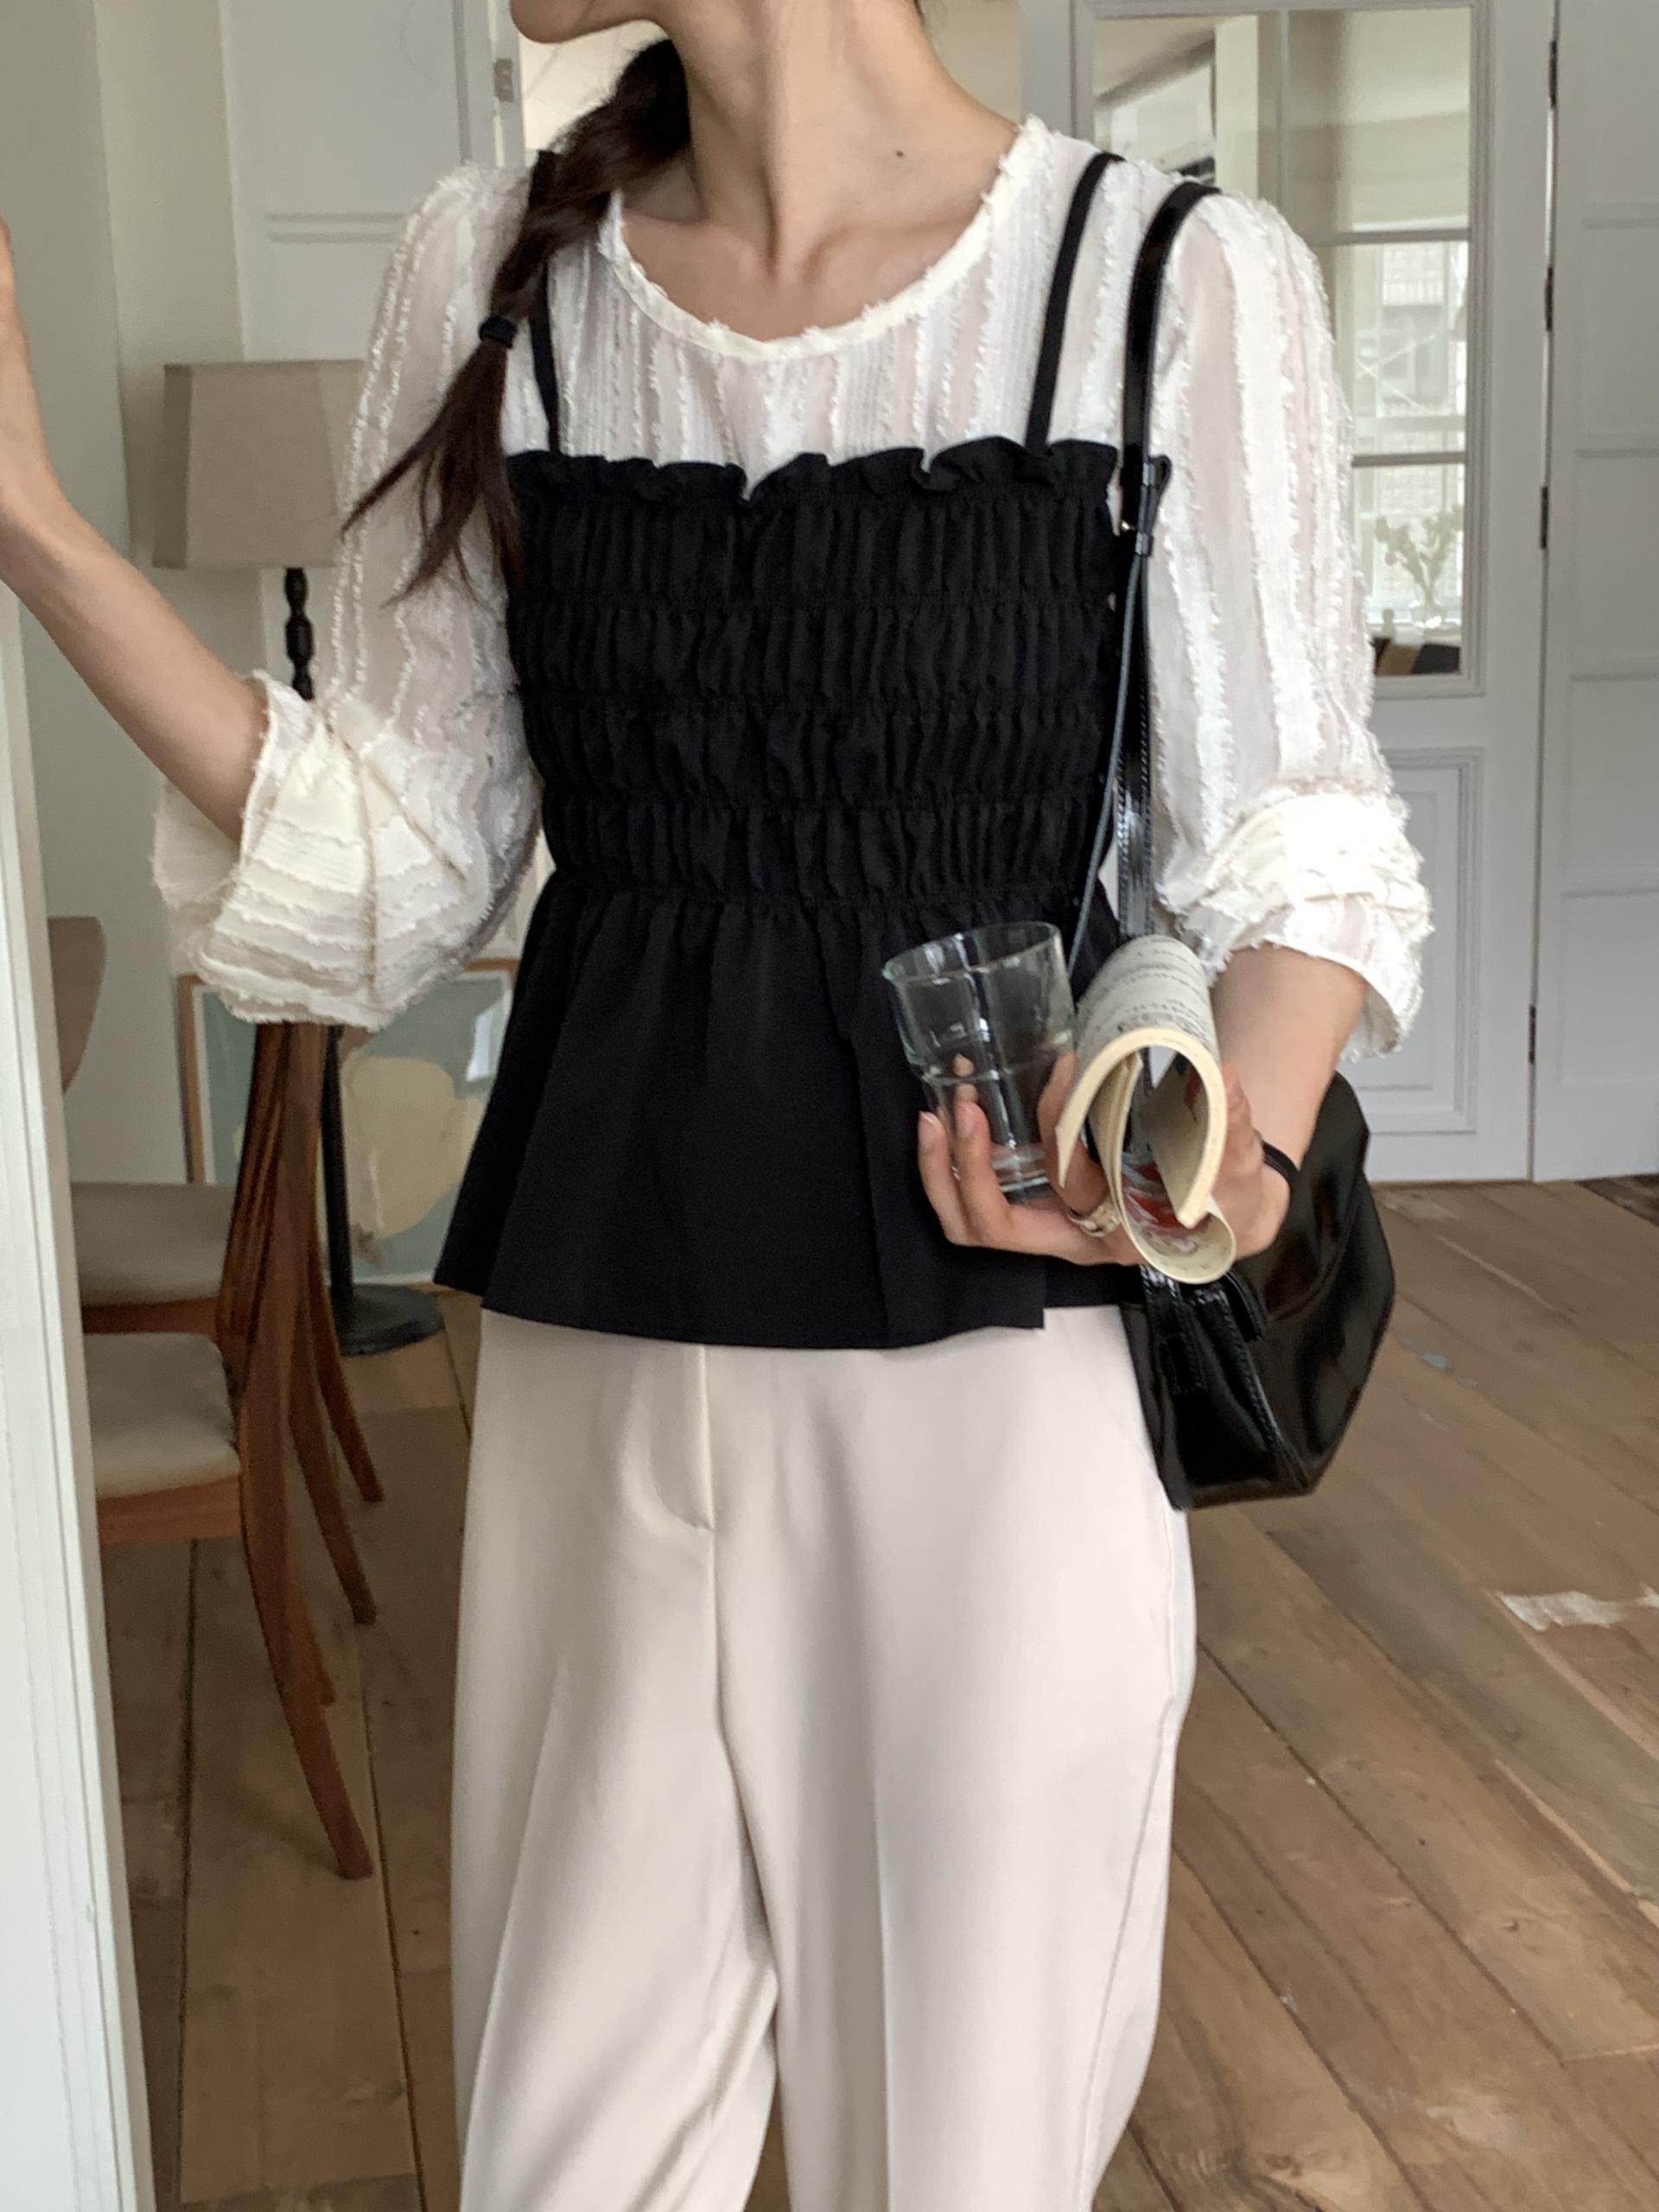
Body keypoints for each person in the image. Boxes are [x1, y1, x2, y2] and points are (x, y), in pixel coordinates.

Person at [0, 3, 1429, 2204]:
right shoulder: (493, 275)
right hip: (598, 1355)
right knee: (564, 2153)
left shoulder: (1162, 283)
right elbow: (389, 866)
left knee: (958, 2153)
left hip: (999, 1385)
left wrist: (1205, 1179)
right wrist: (35, 532)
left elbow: (1292, 851)